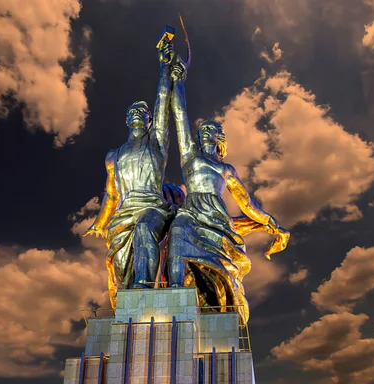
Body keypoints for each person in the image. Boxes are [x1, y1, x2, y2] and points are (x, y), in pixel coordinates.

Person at [166, 58, 289, 323]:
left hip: (217, 218)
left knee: (220, 271)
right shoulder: (190, 156)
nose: (205, 130)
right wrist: (178, 82)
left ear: (219, 137)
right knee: (177, 231)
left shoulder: (226, 169)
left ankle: (216, 302)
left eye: (212, 129)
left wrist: (272, 223)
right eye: (203, 129)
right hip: (192, 210)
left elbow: (247, 204)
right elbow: (180, 116)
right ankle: (175, 295)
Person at [84, 40, 176, 306]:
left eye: (143, 112)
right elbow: (111, 194)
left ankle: (144, 288)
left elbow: (162, 102)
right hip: (122, 216)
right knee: (122, 266)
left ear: (149, 120)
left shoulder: (156, 142)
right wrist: (99, 223)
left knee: (145, 230)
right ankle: (129, 303)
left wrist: (164, 66)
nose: (138, 113)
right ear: (126, 119)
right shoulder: (114, 155)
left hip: (153, 209)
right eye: (133, 111)